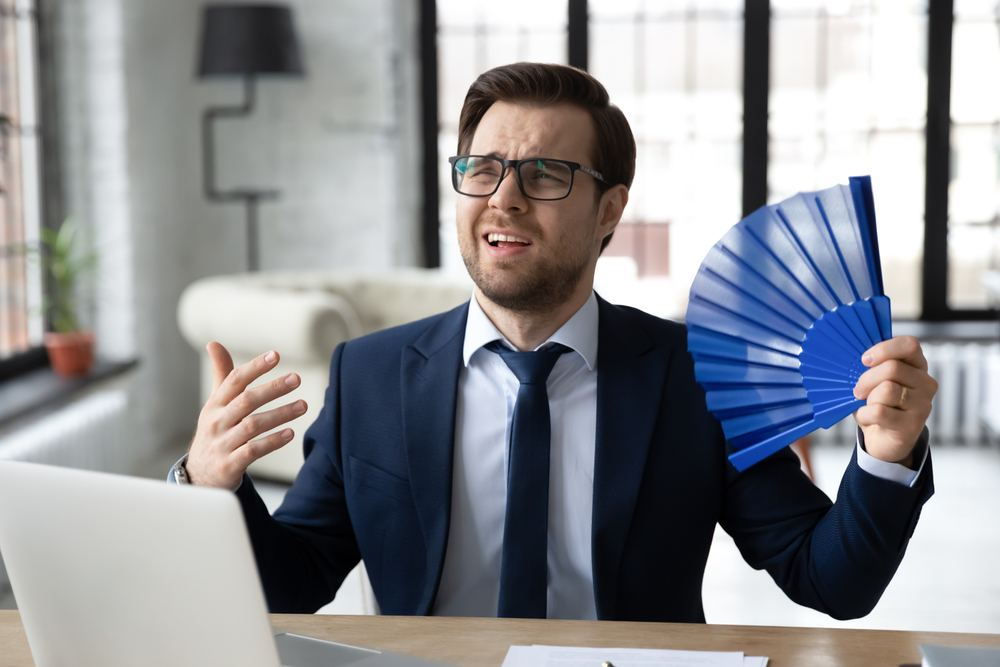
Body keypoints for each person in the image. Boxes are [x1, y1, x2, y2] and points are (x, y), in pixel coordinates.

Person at [171, 62, 936, 622]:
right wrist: (213, 485)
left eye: (545, 174)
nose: (503, 197)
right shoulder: (370, 375)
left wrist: (887, 453)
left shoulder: (694, 377)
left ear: (610, 210)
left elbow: (829, 580)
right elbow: (293, 582)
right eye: (483, 169)